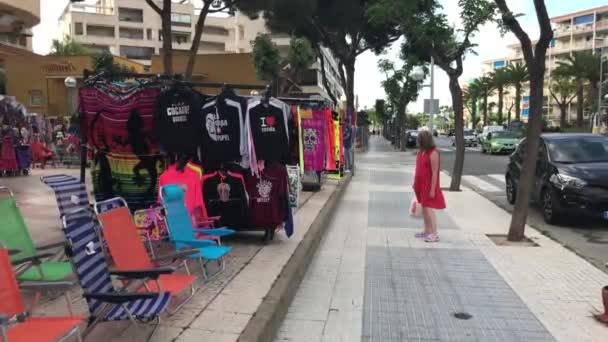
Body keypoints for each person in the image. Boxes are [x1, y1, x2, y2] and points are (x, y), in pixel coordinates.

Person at [413, 130, 446, 242]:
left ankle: (434, 233)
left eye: (419, 140)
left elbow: (435, 172)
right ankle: (427, 231)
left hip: (428, 185)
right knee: (424, 209)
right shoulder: (421, 152)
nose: (417, 142)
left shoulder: (433, 153)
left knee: (428, 209)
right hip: (420, 185)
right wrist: (415, 184)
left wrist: (432, 189)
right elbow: (418, 169)